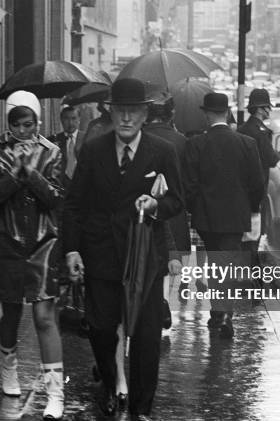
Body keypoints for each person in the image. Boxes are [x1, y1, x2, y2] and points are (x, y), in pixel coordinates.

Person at [64, 78, 183, 421]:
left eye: (133, 112)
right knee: (100, 329)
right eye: (120, 112)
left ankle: (143, 407)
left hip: (144, 257)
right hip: (100, 255)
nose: (126, 119)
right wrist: (72, 250)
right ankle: (109, 382)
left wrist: (156, 204)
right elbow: (74, 205)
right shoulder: (93, 149)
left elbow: (177, 199)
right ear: (110, 113)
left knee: (147, 336)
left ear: (145, 115)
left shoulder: (163, 151)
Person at [0, 90, 65, 420]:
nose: (23, 132)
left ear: (38, 123)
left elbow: (55, 198)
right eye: (16, 125)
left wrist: (31, 172)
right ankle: (9, 364)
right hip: (6, 242)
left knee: (44, 317)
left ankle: (55, 391)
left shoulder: (51, 152)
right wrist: (14, 174)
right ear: (8, 123)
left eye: (29, 125)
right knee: (11, 314)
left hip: (43, 242)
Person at [185, 92, 264, 338]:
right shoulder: (246, 143)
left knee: (214, 263)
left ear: (207, 114)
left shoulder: (196, 144)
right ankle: (224, 313)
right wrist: (250, 207)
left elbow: (189, 184)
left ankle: (219, 312)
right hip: (235, 217)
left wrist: (195, 208)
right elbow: (257, 183)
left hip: (207, 217)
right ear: (227, 112)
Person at [142, 92, 190, 324]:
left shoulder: (142, 139)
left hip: (146, 208)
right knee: (169, 262)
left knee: (148, 261)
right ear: (170, 115)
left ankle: (156, 305)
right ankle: (162, 304)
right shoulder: (181, 141)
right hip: (174, 210)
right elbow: (188, 181)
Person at [237, 88, 280, 266]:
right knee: (255, 234)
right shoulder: (261, 132)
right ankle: (253, 274)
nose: (269, 111)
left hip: (241, 190)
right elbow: (270, 159)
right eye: (267, 107)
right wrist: (278, 154)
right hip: (257, 189)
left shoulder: (242, 129)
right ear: (261, 109)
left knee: (244, 235)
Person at [48, 105, 86, 187]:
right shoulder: (53, 140)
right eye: (66, 119)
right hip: (60, 185)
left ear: (79, 119)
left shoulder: (87, 138)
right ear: (61, 120)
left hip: (82, 185)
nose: (70, 123)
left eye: (74, 118)